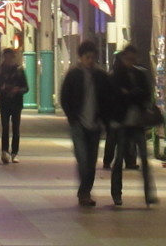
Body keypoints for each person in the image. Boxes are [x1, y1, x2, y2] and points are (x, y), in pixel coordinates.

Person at [60, 40, 110, 206]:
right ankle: (84, 193)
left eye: (92, 57)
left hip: (95, 124)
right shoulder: (73, 75)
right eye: (87, 57)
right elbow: (64, 98)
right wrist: (72, 117)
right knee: (83, 159)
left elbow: (107, 99)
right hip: (78, 124)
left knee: (91, 161)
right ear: (81, 57)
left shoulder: (101, 77)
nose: (90, 60)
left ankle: (85, 192)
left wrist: (104, 119)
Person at [107, 44, 157, 206]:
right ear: (122, 59)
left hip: (137, 122)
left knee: (144, 158)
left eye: (133, 59)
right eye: (128, 59)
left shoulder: (140, 74)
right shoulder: (116, 76)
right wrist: (130, 95)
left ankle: (149, 193)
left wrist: (129, 94)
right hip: (122, 122)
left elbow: (146, 95)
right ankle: (116, 193)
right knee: (119, 157)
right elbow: (115, 98)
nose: (131, 62)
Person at [0, 48, 29, 164]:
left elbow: (26, 87)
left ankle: (14, 153)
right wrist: (1, 88)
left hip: (16, 103)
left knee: (16, 129)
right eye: (7, 56)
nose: (9, 59)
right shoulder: (0, 71)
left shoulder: (19, 70)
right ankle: (4, 151)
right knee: (5, 128)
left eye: (11, 56)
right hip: (4, 103)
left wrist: (18, 90)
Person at [102, 51, 137, 170]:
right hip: (118, 111)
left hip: (118, 112)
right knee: (122, 138)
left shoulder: (113, 74)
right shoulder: (121, 75)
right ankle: (128, 161)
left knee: (115, 138)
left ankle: (110, 161)